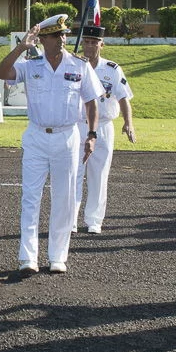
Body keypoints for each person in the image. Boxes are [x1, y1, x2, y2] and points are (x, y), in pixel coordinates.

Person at [0, 13, 102, 274]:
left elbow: (91, 101)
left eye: (64, 34)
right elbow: (2, 73)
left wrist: (92, 135)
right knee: (31, 198)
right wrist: (22, 46)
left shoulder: (79, 65)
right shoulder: (30, 65)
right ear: (43, 39)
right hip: (36, 137)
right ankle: (28, 258)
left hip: (67, 137)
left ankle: (57, 256)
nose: (63, 39)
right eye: (57, 35)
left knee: (64, 200)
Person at [75, 21, 136, 234]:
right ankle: (70, 220)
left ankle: (93, 220)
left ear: (102, 44)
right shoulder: (74, 65)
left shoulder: (112, 69)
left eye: (94, 42)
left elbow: (123, 97)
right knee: (74, 173)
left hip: (103, 127)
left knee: (99, 175)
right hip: (77, 125)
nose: (90, 46)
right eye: (87, 42)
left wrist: (128, 122)